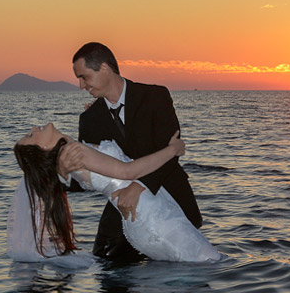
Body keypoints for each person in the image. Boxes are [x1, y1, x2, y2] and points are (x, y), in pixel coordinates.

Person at [60, 42, 202, 261]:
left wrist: (139, 186)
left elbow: (171, 152)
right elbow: (91, 177)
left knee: (179, 277)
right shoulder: (89, 119)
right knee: (105, 262)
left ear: (105, 68)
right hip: (123, 210)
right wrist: (64, 173)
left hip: (172, 199)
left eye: (84, 77)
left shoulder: (155, 96)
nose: (80, 85)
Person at [10, 122, 223, 263]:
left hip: (142, 219)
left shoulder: (70, 156)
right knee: (208, 261)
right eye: (31, 135)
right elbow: (127, 171)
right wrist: (173, 150)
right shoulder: (74, 153)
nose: (33, 128)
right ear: (43, 148)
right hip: (152, 217)